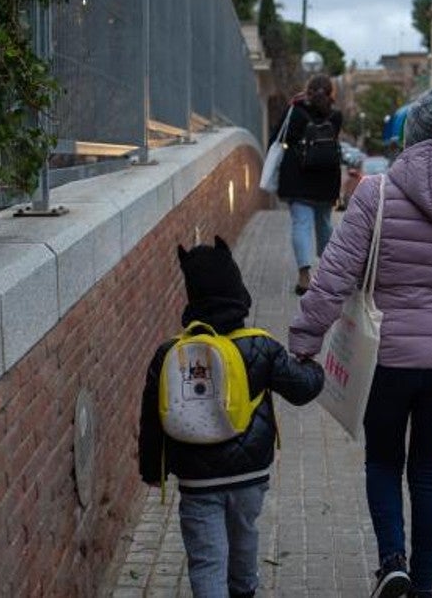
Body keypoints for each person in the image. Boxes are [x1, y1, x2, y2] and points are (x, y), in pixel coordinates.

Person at [288, 89, 432, 598]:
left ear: (410, 136)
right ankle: (425, 588)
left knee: (384, 461)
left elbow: (332, 277)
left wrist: (304, 341)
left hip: (387, 358)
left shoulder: (379, 193)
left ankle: (393, 563)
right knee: (431, 472)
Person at [139, 237, 325, 598]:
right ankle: (244, 589)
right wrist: (315, 369)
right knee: (244, 540)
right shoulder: (260, 345)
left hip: (197, 481)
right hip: (250, 475)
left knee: (207, 560)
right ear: (237, 290)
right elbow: (301, 389)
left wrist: (153, 471)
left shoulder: (169, 355)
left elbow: (151, 420)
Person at [271, 74, 344, 295]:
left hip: (298, 178)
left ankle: (304, 276)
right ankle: (328, 271)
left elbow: (278, 137)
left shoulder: (295, 110)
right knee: (323, 222)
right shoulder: (336, 116)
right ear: (331, 93)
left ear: (307, 91)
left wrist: (294, 103)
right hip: (326, 178)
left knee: (301, 224)